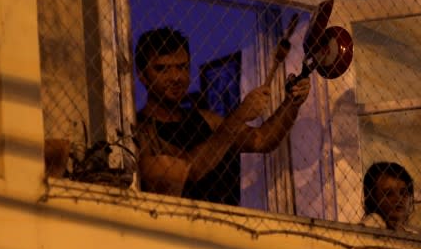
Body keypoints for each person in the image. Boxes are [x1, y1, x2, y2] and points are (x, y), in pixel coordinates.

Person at [133, 27, 310, 205]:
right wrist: (240, 116)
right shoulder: (139, 133)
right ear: (142, 76)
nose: (175, 77)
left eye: (182, 67)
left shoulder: (205, 120)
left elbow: (262, 139)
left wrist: (292, 102)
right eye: (162, 69)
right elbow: (188, 170)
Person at [360, 162, 420, 234]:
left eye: (403, 193)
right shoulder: (371, 225)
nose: (398, 199)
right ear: (372, 199)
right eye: (388, 194)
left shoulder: (413, 235)